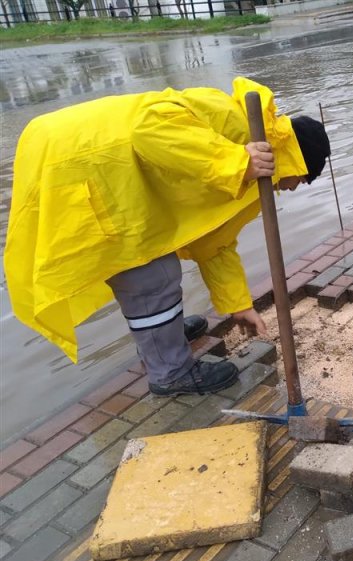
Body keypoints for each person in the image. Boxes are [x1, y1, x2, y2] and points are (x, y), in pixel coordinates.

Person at [5, 77, 330, 396]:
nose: (295, 187)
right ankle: (170, 372)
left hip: (113, 178)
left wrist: (237, 305)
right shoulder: (236, 124)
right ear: (298, 164)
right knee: (151, 277)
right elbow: (149, 128)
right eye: (303, 180)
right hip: (81, 163)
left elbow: (213, 241)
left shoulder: (256, 172)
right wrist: (234, 162)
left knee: (154, 268)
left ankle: (164, 337)